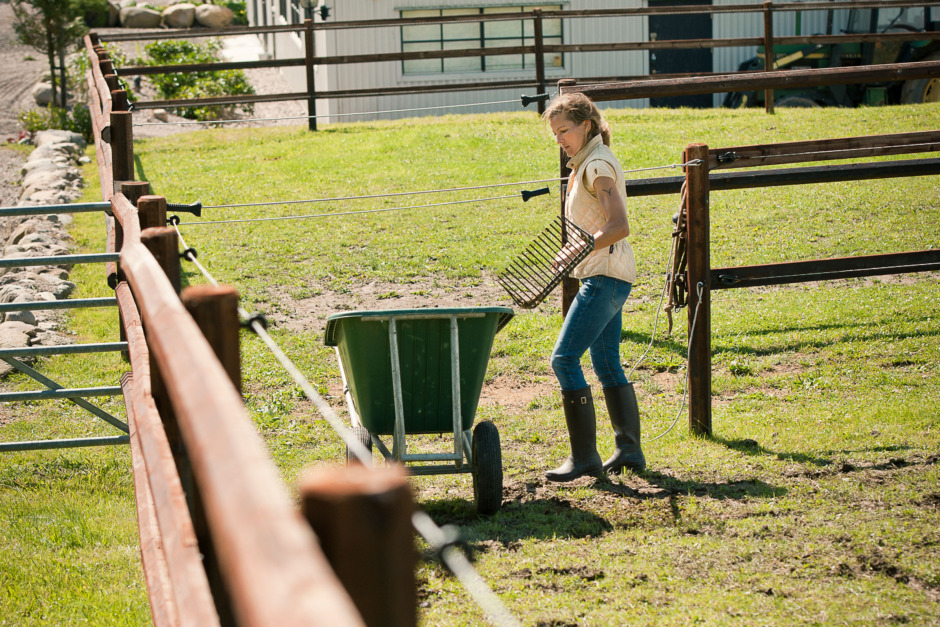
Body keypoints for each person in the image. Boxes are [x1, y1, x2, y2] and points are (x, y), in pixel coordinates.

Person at [542, 93, 645, 482]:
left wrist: (579, 249)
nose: (559, 140)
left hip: (604, 278)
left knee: (563, 359)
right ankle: (629, 452)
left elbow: (618, 225)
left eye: (564, 130)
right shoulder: (587, 162)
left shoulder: (596, 165)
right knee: (605, 362)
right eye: (554, 133)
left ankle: (584, 457)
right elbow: (594, 227)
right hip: (610, 274)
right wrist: (569, 251)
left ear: (585, 125)